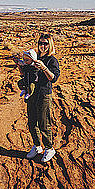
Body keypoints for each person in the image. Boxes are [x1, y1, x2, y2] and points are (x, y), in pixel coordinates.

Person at [16, 33, 60, 163]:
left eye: (45, 43)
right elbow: (26, 73)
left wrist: (44, 68)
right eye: (40, 43)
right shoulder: (34, 57)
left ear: (50, 45)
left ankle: (49, 148)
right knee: (32, 122)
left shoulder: (52, 60)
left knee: (43, 123)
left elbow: (54, 78)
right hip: (32, 94)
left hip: (44, 94)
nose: (42, 46)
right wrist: (21, 66)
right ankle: (37, 146)